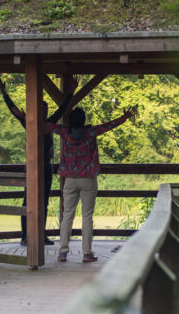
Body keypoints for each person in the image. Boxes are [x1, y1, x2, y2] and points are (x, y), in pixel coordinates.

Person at [0, 75, 77, 246]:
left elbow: (61, 110)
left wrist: (71, 93)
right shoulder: (29, 123)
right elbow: (13, 109)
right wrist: (4, 92)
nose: (46, 112)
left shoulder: (49, 123)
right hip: (32, 167)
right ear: (37, 109)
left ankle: (40, 234)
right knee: (28, 201)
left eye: (47, 109)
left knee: (44, 202)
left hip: (46, 167)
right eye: (43, 109)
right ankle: (26, 236)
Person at [50, 106, 137, 262]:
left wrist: (25, 116)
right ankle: (87, 253)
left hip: (69, 178)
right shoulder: (90, 132)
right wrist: (124, 118)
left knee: (67, 215)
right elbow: (109, 125)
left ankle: (62, 252)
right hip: (88, 178)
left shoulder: (64, 132)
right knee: (87, 216)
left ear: (70, 121)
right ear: (84, 120)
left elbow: (48, 125)